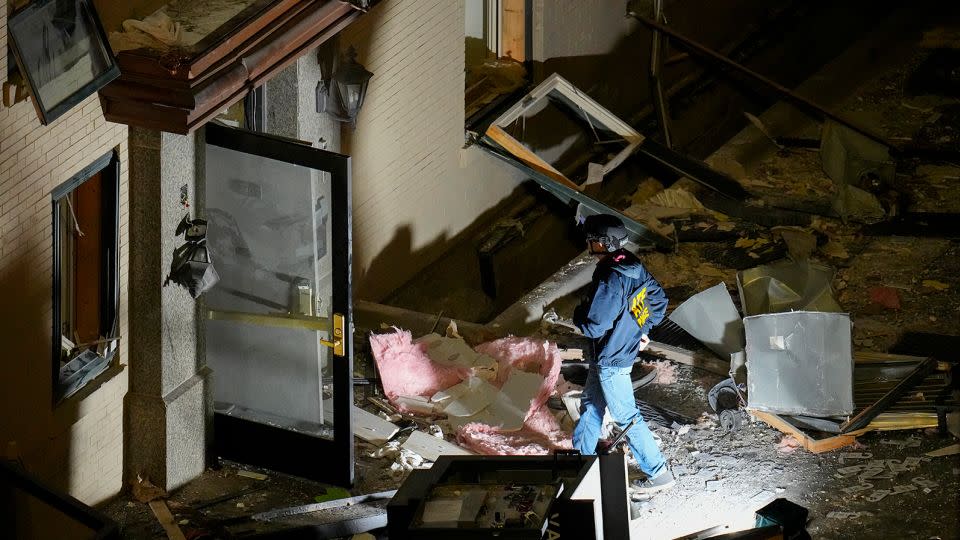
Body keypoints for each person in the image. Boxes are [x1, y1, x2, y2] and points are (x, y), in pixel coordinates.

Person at [572, 214, 674, 494]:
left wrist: (578, 313)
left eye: (592, 241)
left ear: (603, 244)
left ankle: (658, 473)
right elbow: (658, 300)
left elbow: (595, 325)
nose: (589, 244)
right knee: (591, 404)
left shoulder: (609, 276)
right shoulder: (630, 263)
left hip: (611, 356)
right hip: (614, 349)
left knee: (626, 415)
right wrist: (644, 329)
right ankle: (580, 462)